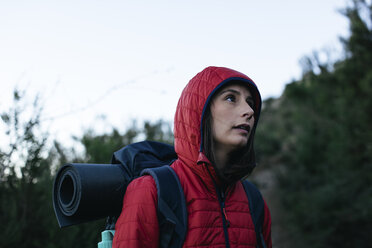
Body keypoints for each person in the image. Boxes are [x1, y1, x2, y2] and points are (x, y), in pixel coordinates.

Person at [112, 66, 272, 248]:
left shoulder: (253, 200)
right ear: (199, 111)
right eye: (231, 98)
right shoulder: (150, 191)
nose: (249, 111)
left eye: (250, 102)